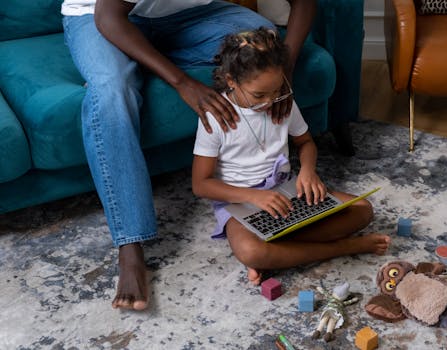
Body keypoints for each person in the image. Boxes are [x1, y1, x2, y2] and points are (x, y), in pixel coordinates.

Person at [61, 0, 316, 311]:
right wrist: (182, 82)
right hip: (101, 16)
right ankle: (130, 247)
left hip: (188, 17)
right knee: (112, 91)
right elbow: (108, 15)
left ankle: (134, 59)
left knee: (264, 49)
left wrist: (283, 74)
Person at [192, 28, 391, 286]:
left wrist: (308, 170)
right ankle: (342, 247)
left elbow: (305, 143)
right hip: (239, 200)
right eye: (259, 95)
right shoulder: (215, 118)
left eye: (276, 90)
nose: (269, 101)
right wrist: (254, 196)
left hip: (285, 190)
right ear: (231, 80)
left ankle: (277, 251)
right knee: (251, 251)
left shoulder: (282, 103)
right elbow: (201, 184)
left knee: (362, 210)